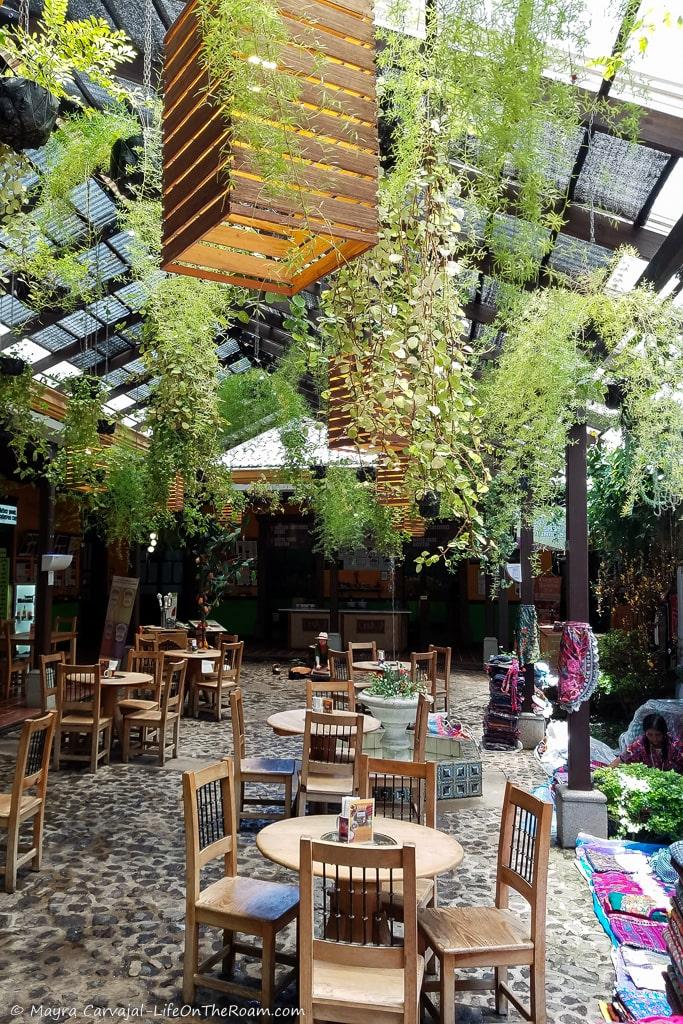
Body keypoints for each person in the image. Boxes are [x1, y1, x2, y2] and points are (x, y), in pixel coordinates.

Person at [610, 713, 683, 773]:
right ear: (645, 733)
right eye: (650, 735)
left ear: (664, 733)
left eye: (658, 734)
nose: (654, 739)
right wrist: (606, 773)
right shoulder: (640, 745)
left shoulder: (675, 745)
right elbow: (622, 759)